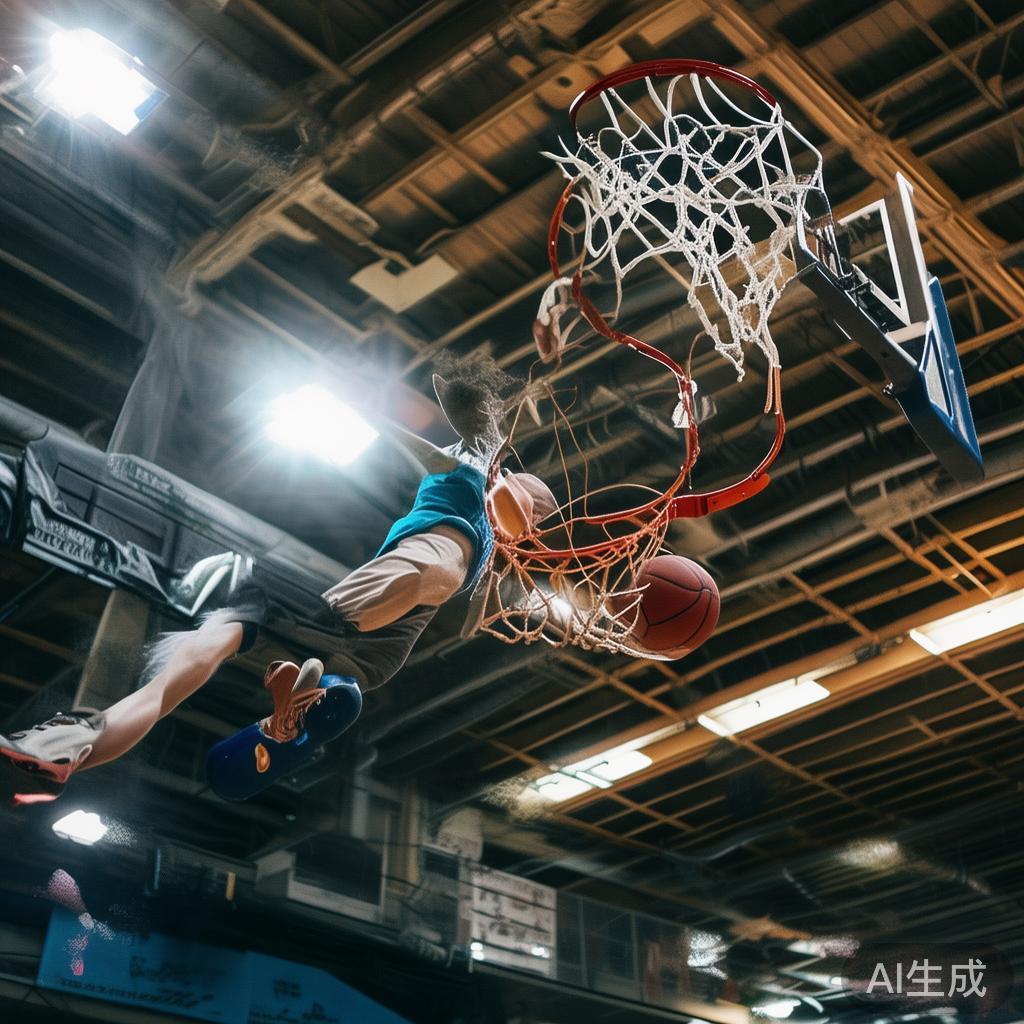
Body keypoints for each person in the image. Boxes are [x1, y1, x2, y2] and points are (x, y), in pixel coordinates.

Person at [0, 362, 556, 804]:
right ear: (509, 480)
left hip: (377, 636)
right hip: (369, 623)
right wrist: (362, 404)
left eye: (532, 521)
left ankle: (295, 711)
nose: (527, 523)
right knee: (174, 678)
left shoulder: (490, 538)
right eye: (530, 509)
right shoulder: (468, 474)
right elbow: (425, 442)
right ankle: (70, 747)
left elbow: (492, 524)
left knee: (423, 582)